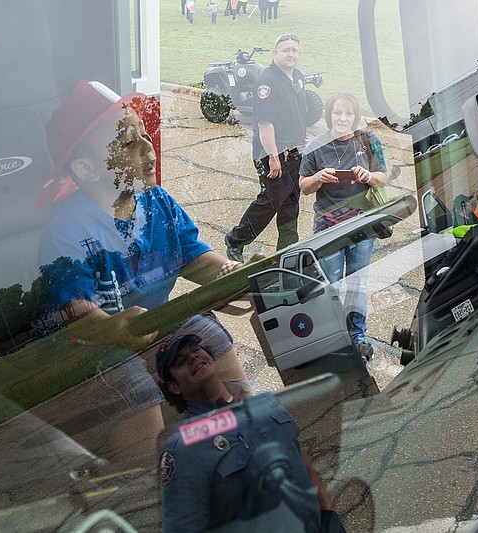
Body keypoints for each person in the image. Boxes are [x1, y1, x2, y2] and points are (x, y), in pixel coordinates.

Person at [35, 80, 251, 456]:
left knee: (209, 335)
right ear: (86, 168)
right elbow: (75, 313)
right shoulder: (68, 232)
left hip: (152, 328)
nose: (147, 148)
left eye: (146, 135)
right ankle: (147, 482)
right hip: (94, 351)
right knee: (131, 385)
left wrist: (230, 273)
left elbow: (192, 256)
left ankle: (242, 442)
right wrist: (113, 326)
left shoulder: (157, 201)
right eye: (126, 143)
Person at [157, 334, 342, 532]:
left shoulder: (263, 403)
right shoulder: (184, 447)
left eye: (195, 349)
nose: (192, 357)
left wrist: (328, 510)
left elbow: (298, 451)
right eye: (181, 361)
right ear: (174, 387)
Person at [298, 93, 389, 362]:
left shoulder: (368, 140)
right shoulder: (316, 146)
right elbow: (303, 187)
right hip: (328, 226)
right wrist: (317, 178)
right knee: (332, 284)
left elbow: (382, 177)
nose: (342, 118)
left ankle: (358, 335)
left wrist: (368, 176)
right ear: (329, 116)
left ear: (355, 116)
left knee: (358, 282)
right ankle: (332, 336)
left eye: (348, 114)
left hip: (362, 224)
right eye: (337, 113)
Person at [225, 34, 308, 261]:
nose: (291, 54)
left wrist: (303, 139)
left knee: (291, 201)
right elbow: (265, 123)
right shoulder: (267, 82)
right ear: (275, 53)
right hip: (271, 153)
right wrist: (273, 156)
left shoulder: (296, 77)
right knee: (271, 200)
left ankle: (288, 251)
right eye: (285, 50)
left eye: (294, 50)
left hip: (294, 153)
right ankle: (235, 240)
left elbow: (298, 114)